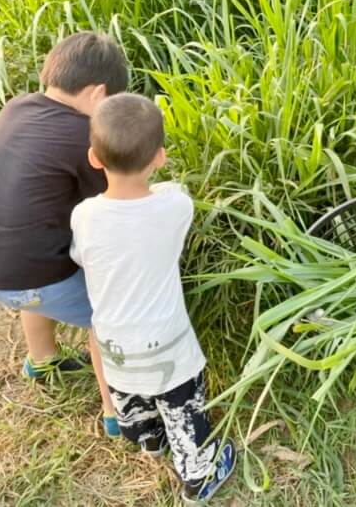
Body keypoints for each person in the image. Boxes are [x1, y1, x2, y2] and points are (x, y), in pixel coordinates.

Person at [0, 31, 127, 433]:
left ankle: (41, 359)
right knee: (108, 311)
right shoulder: (86, 137)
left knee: (34, 252)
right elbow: (111, 208)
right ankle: (117, 414)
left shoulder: (16, 107)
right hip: (19, 276)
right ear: (98, 94)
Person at [70, 93, 235, 503]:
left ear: (94, 158)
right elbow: (174, 193)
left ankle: (148, 440)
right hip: (167, 346)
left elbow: (80, 253)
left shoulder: (84, 215)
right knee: (182, 407)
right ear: (159, 157)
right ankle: (199, 475)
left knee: (133, 400)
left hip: (114, 345)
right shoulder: (175, 206)